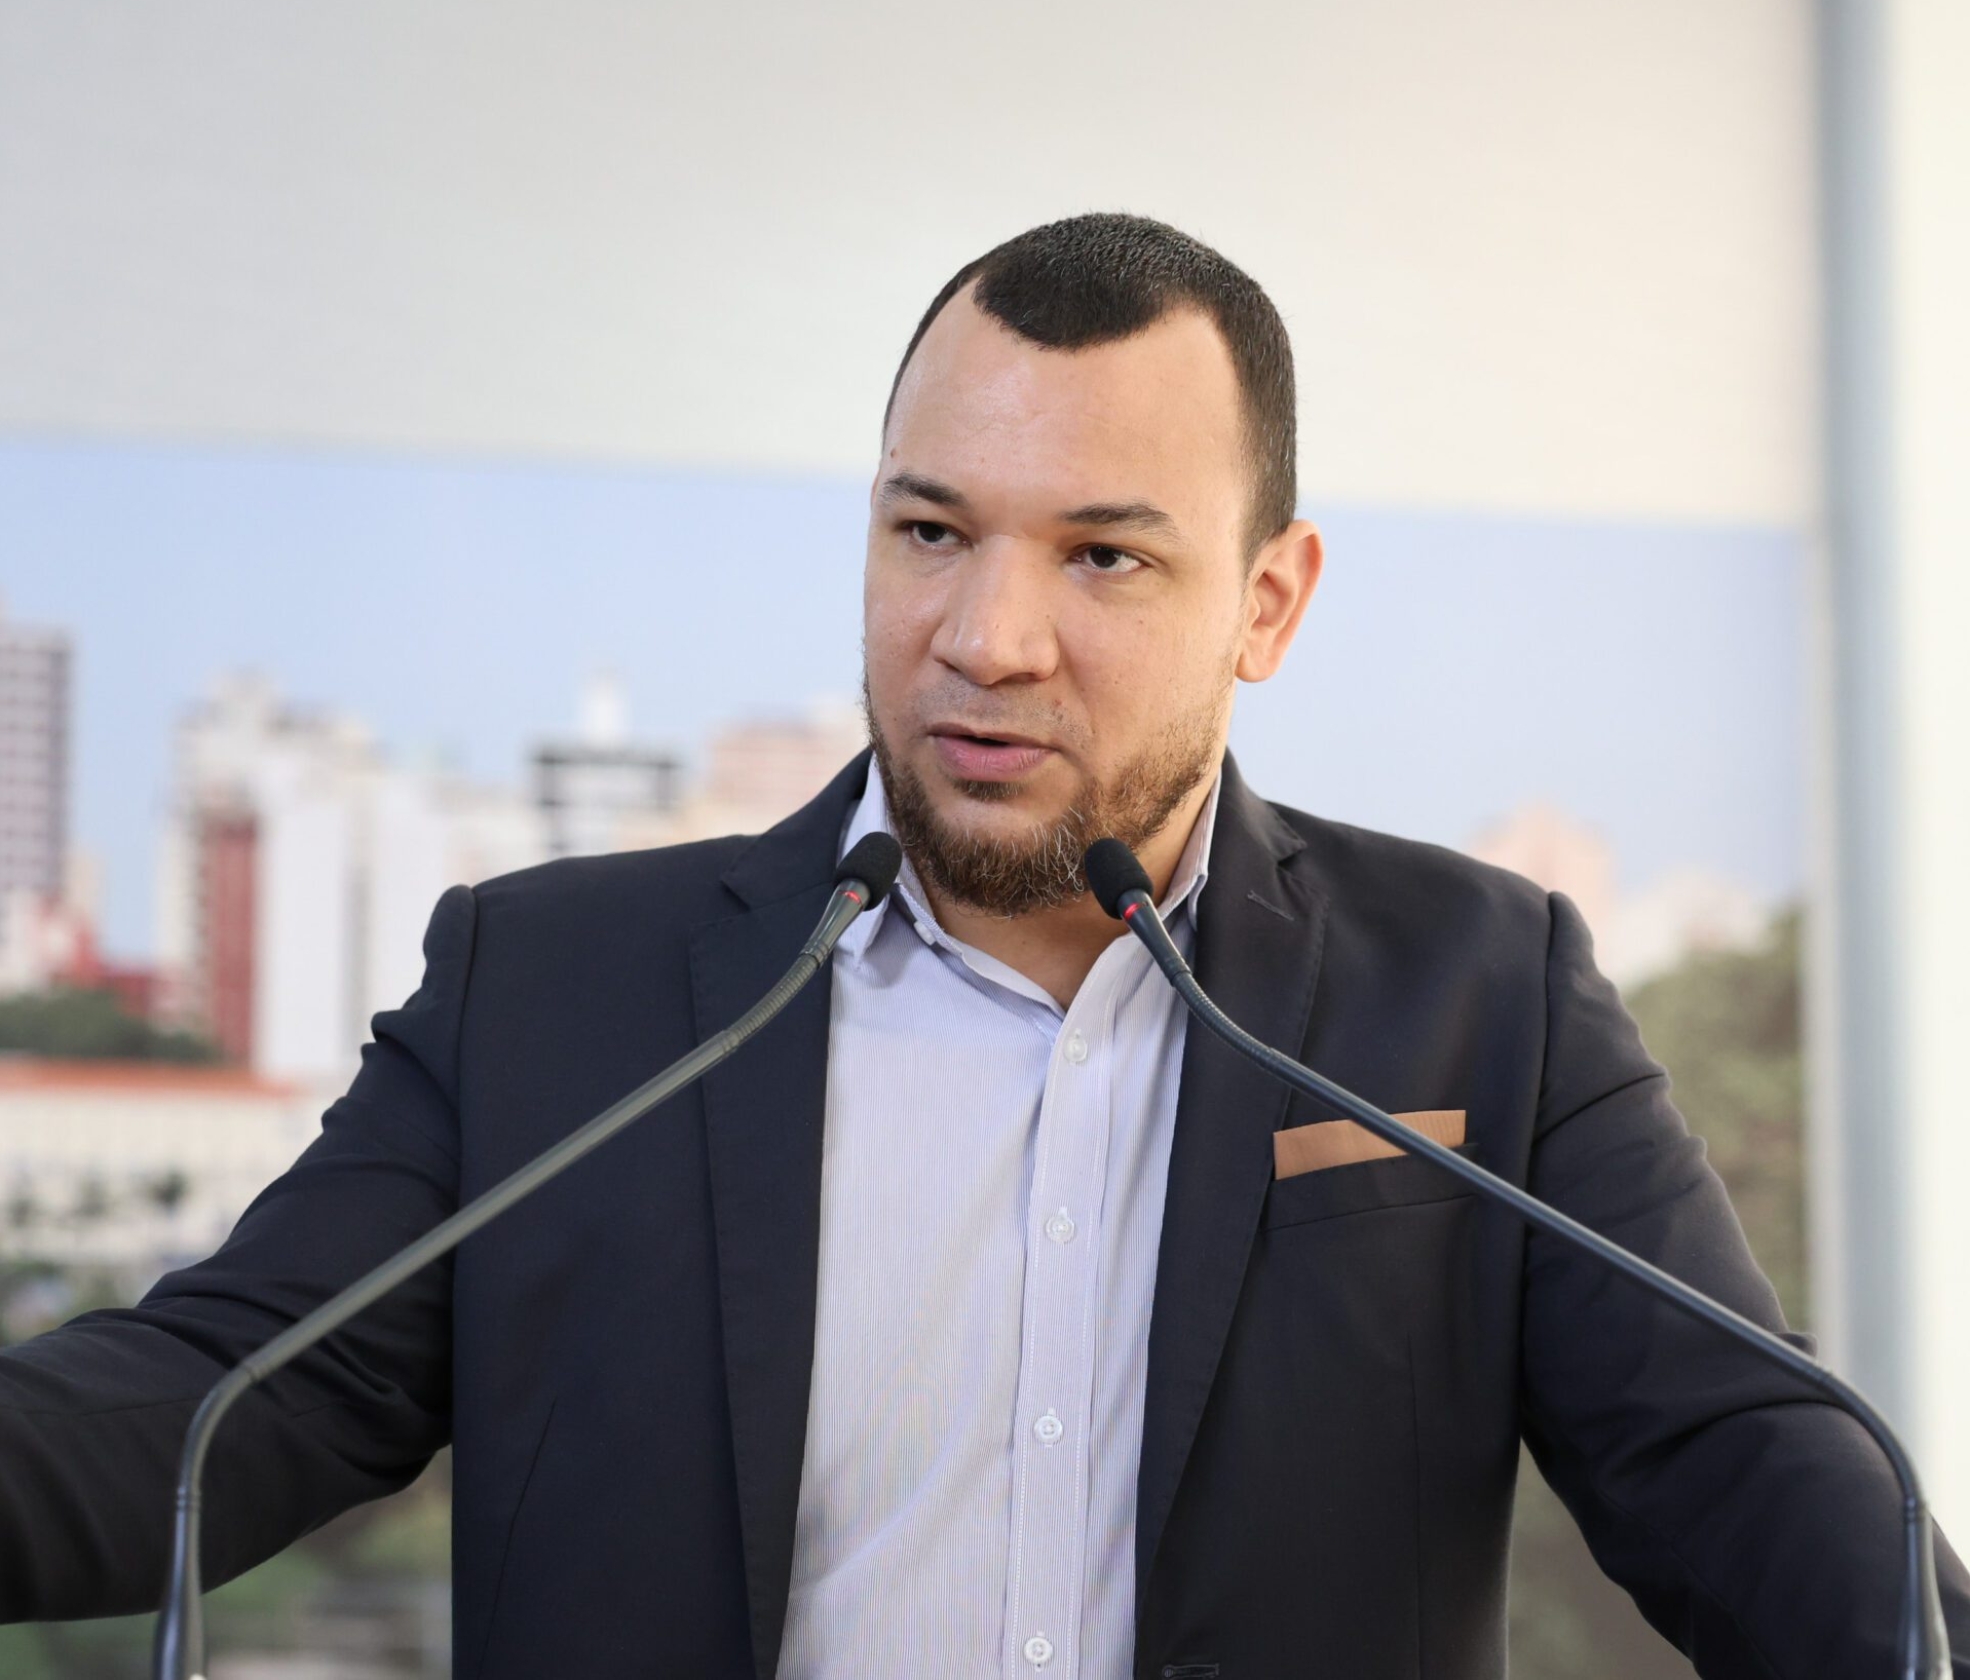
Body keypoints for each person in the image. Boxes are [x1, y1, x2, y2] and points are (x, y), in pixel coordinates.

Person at [1, 213, 1965, 1680]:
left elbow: (1747, 1474)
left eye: (1101, 555)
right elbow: (219, 1393)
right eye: (930, 530)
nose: (986, 634)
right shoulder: (559, 993)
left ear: (1267, 600)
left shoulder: (1475, 988)